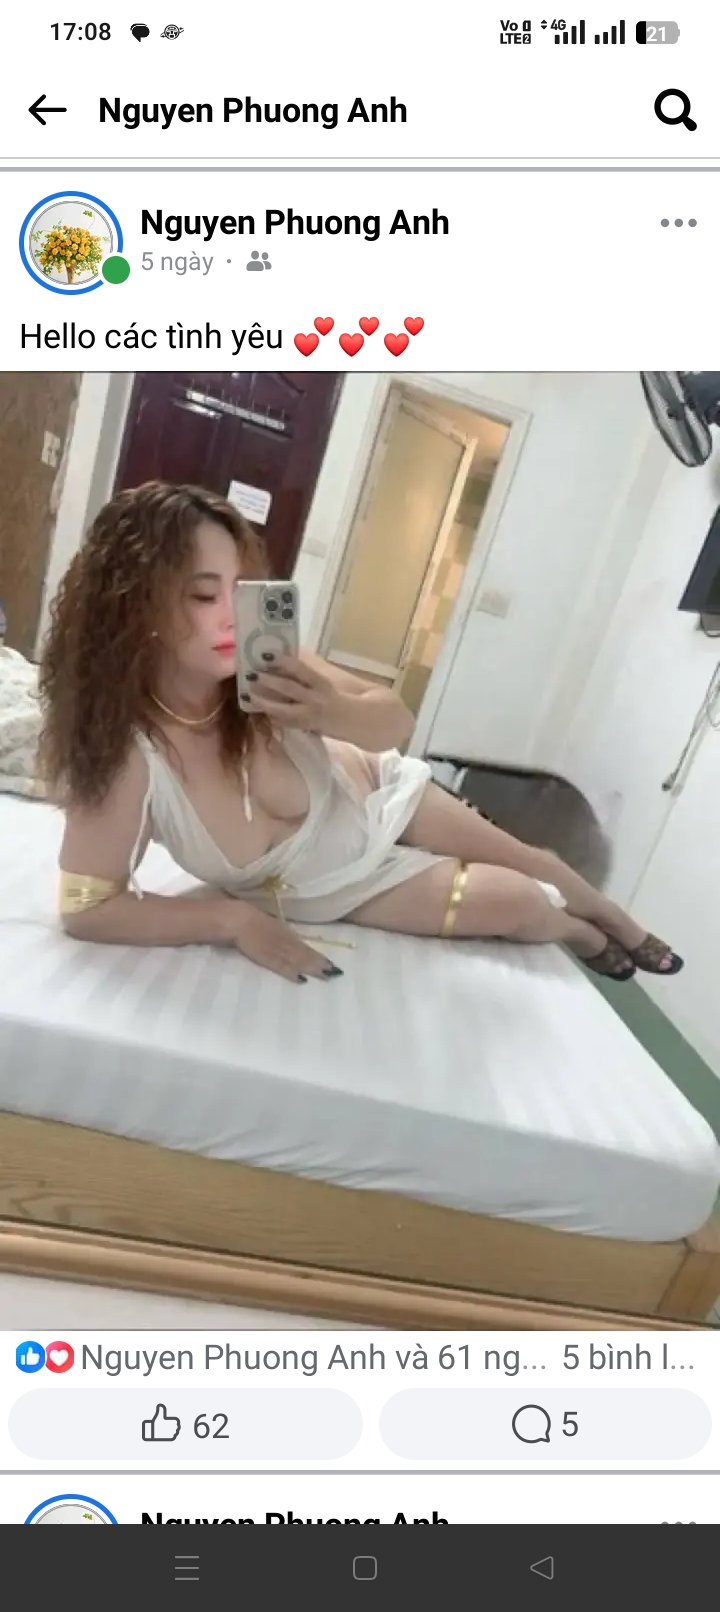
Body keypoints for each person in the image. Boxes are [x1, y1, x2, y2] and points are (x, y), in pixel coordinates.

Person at [38, 481, 683, 987]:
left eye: (240, 589)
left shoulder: (268, 667)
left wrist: (328, 712)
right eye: (204, 596)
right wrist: (230, 920)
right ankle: (584, 935)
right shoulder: (129, 755)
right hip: (338, 884)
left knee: (533, 861)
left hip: (376, 787)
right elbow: (88, 907)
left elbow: (395, 721)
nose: (233, 615)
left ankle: (614, 917)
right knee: (522, 902)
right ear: (135, 605)